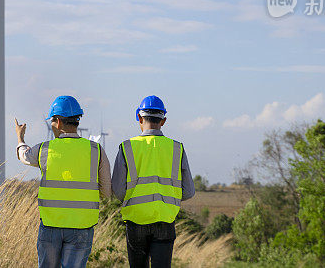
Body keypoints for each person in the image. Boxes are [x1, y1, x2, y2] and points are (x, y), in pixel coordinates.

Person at [14, 95, 112, 268]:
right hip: (82, 226)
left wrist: (20, 138)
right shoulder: (96, 150)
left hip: (51, 225)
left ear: (58, 122)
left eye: (52, 121)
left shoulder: (45, 149)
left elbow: (24, 156)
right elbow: (106, 192)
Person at [111, 95, 195, 268]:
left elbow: (118, 191)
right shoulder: (177, 148)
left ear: (139, 118)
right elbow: (188, 191)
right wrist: (169, 198)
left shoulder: (127, 147)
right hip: (165, 221)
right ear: (163, 120)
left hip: (135, 222)